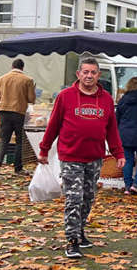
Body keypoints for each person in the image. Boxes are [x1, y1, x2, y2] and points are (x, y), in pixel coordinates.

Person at [38, 56, 125, 258]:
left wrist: (118, 152)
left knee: (88, 198)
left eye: (93, 72)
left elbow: (112, 129)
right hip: (70, 156)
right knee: (74, 198)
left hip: (94, 157)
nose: (89, 76)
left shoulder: (106, 100)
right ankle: (72, 240)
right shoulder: (65, 96)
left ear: (98, 75)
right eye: (85, 72)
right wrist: (44, 149)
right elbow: (53, 125)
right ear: (78, 74)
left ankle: (80, 230)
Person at [0, 58, 35, 179]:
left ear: (12, 67)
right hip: (19, 112)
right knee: (19, 141)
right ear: (22, 68)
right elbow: (31, 99)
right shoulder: (28, 80)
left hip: (4, 111)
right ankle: (18, 168)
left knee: (3, 139)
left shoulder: (2, 78)